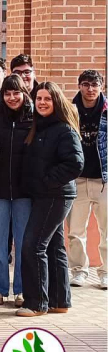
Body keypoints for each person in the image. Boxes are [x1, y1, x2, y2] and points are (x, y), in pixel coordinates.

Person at [17, 82, 84, 317]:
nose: (42, 102)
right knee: (55, 247)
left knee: (33, 246)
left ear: (57, 101)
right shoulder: (41, 128)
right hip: (44, 195)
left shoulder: (64, 129)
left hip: (54, 195)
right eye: (39, 99)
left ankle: (36, 303)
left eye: (47, 98)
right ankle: (59, 301)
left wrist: (47, 181)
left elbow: (75, 163)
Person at [0, 74, 34, 307]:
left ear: (24, 93)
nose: (12, 97)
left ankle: (23, 289)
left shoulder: (35, 118)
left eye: (16, 93)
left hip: (26, 191)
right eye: (7, 93)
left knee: (25, 242)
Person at [67, 70, 106, 289]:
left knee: (106, 231)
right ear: (79, 85)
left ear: (101, 85)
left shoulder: (107, 110)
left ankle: (105, 272)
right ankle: (79, 270)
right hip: (78, 178)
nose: (90, 89)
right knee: (75, 230)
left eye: (94, 84)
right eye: (85, 84)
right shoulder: (71, 110)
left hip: (104, 180)